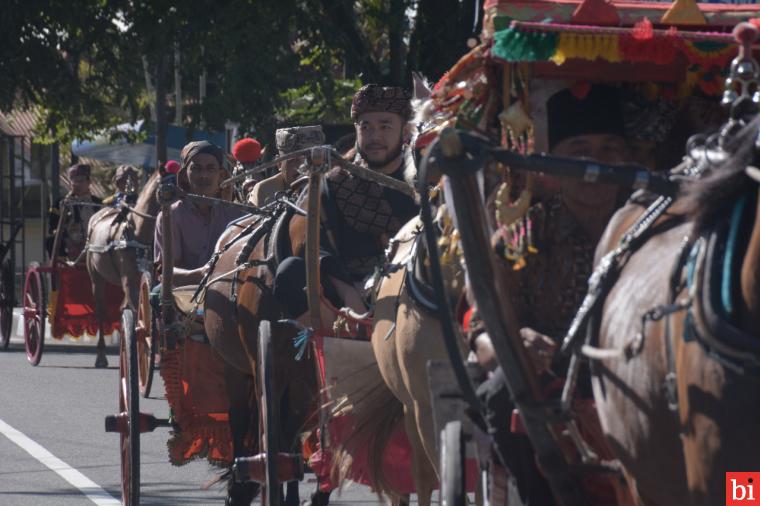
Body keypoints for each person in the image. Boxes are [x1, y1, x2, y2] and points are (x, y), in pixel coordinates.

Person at [474, 84, 635, 505]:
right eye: (579, 149)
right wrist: (517, 342)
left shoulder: (662, 231)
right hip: (552, 389)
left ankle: (742, 497)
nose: (596, 164)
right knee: (498, 393)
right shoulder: (523, 235)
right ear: (554, 164)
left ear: (630, 161)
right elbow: (481, 332)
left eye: (609, 149)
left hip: (647, 383)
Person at [273, 84, 419, 324]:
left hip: (412, 291)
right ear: (356, 129)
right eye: (366, 127)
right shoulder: (334, 182)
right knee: (290, 273)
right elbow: (321, 250)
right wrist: (351, 297)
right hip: (347, 302)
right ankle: (336, 344)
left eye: (385, 126)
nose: (375, 136)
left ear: (405, 131)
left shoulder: (422, 183)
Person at [154, 140, 244, 286]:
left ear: (221, 176)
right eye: (196, 169)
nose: (204, 175)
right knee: (156, 296)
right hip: (181, 294)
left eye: (210, 169)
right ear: (184, 176)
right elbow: (163, 271)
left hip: (227, 291)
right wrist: (200, 274)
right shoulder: (170, 215)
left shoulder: (235, 215)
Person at [249, 125, 325, 206]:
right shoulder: (265, 190)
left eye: (308, 160)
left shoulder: (329, 185)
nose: (301, 166)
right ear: (279, 164)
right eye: (293, 160)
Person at [47, 163, 103, 260]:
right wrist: (66, 238)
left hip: (94, 242)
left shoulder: (98, 203)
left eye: (81, 181)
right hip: (69, 243)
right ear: (70, 183)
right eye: (74, 181)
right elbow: (52, 227)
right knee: (50, 241)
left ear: (89, 182)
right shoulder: (60, 203)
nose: (78, 184)